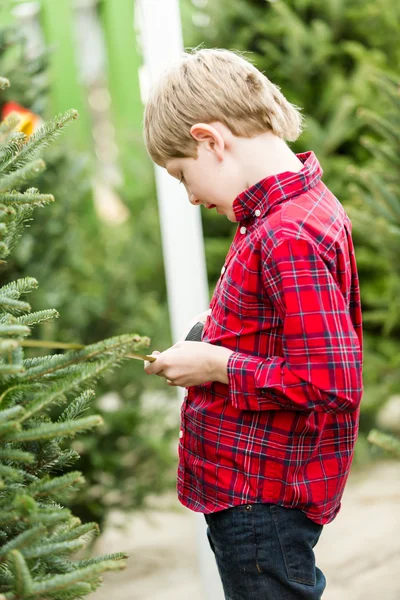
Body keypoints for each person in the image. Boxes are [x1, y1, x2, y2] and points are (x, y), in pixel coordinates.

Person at [143, 48, 363, 600]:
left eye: (181, 175)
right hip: (250, 490)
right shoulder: (279, 213)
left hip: (261, 497)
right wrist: (209, 328)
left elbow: (329, 382)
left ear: (210, 141)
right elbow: (280, 321)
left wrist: (216, 365)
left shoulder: (286, 234)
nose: (190, 196)